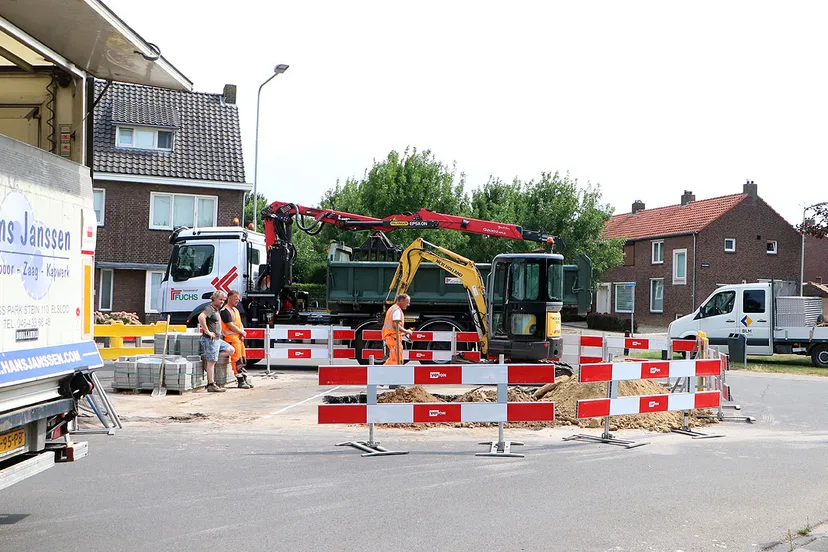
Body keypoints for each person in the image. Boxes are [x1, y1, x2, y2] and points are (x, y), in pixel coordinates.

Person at [198, 290, 235, 393]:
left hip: (218, 340)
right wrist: (207, 331)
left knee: (231, 350)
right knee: (212, 362)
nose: (222, 302)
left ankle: (209, 356)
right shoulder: (209, 308)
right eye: (220, 300)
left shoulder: (216, 309)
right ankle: (211, 384)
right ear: (214, 299)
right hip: (211, 340)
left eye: (223, 300)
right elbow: (201, 317)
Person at [221, 290, 253, 389]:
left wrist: (242, 332)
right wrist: (241, 332)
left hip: (238, 338)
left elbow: (239, 323)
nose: (237, 301)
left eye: (238, 298)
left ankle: (244, 377)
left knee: (242, 358)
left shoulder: (235, 310)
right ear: (229, 298)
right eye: (235, 298)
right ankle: (239, 380)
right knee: (236, 359)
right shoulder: (225, 311)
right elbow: (230, 325)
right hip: (232, 339)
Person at [382, 293, 412, 365]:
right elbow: (395, 325)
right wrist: (407, 331)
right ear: (401, 300)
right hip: (393, 337)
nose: (408, 305)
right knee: (395, 359)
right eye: (407, 302)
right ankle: (382, 373)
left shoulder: (393, 308)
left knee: (396, 358)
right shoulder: (397, 310)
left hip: (392, 337)